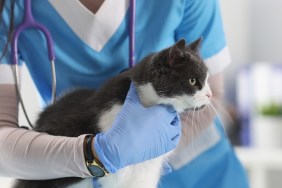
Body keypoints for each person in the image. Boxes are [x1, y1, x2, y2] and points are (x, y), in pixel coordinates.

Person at [0, 0, 249, 187]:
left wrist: (150, 152)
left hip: (205, 175)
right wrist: (96, 155)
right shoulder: (12, 8)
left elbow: (212, 94)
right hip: (80, 171)